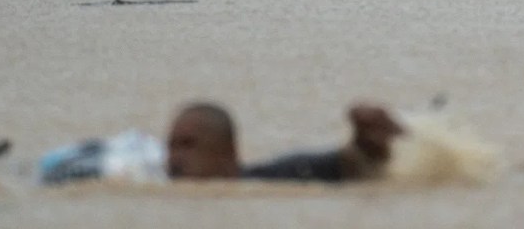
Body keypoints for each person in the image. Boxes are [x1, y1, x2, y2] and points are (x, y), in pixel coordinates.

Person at [166, 102, 404, 182]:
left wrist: (367, 140)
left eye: (188, 145)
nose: (174, 157)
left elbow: (351, 162)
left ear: (227, 151)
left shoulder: (277, 176)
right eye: (171, 146)